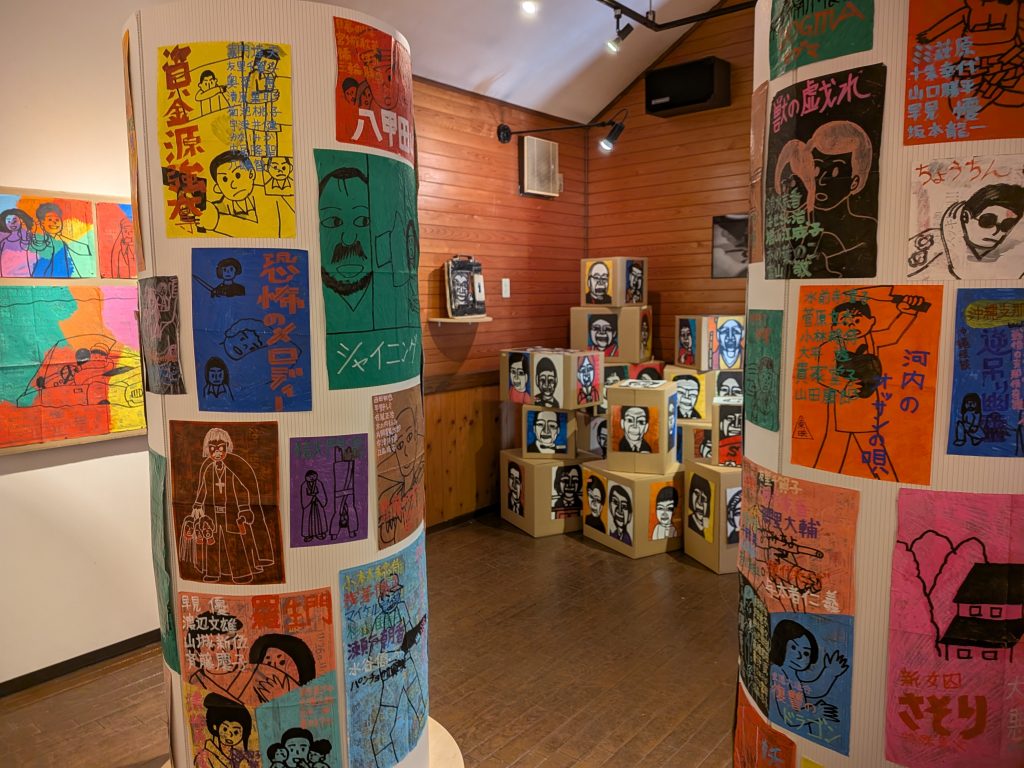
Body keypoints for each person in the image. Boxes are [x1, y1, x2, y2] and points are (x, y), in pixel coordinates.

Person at [811, 295, 926, 479]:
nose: (852, 326)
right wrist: (843, 385)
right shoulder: (830, 347)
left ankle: (889, 483)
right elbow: (823, 373)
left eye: (857, 321)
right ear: (834, 328)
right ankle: (817, 482)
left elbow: (894, 332)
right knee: (832, 452)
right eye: (845, 323)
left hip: (867, 410)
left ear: (871, 322)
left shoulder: (874, 340)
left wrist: (907, 311)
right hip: (840, 410)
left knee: (873, 451)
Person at [188, 427, 275, 583]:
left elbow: (242, 490)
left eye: (221, 448)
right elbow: (203, 488)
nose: (217, 452)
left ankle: (241, 573)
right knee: (212, 541)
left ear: (227, 447)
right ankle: (213, 572)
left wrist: (244, 510)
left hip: (231, 514)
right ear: (207, 449)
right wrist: (198, 503)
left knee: (233, 543)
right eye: (212, 448)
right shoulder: (208, 469)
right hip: (213, 514)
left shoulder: (232, 470)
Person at [908, 183, 1024, 280]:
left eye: (1007, 225)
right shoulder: (926, 247)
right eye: (987, 221)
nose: (996, 232)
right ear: (966, 217)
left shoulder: (1015, 266)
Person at [368, 574, 426, 766]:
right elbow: (373, 659)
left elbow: (409, 636)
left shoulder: (401, 608)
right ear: (381, 598)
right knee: (382, 730)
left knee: (419, 707)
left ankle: (414, 755)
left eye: (395, 593)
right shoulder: (378, 622)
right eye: (388, 595)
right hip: (391, 675)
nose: (393, 598)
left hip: (408, 666)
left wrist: (417, 634)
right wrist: (395, 655)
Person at [806, 121, 877, 277]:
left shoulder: (866, 230)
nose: (821, 181)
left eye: (835, 172)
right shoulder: (802, 231)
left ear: (854, 182)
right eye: (816, 169)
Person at [768, 619, 848, 734]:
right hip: (789, 733)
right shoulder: (778, 673)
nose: (800, 656)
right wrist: (815, 713)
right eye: (793, 648)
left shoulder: (791, 675)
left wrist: (830, 673)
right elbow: (789, 717)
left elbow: (812, 690)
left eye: (806, 653)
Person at [198, 149, 293, 238]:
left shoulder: (266, 195)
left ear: (251, 174)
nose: (233, 185)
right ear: (218, 188)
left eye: (238, 175)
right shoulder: (218, 208)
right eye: (225, 179)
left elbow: (268, 233)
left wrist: (218, 222)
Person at [377, 405, 424, 545]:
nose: (405, 453)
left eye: (410, 437)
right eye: (399, 445)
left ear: (416, 438)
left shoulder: (419, 480)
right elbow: (385, 536)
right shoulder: (393, 498)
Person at [29, 202, 92, 277]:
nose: (54, 222)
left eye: (57, 220)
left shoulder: (63, 241)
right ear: (42, 223)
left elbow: (84, 250)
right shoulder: (41, 241)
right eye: (50, 219)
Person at [194, 693, 257, 768]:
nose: (230, 735)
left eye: (236, 732)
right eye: (225, 729)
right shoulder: (204, 756)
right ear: (215, 727)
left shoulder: (236, 756)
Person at [0, 208, 34, 277]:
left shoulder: (28, 235)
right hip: (5, 272)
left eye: (14, 220)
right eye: (8, 221)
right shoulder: (3, 238)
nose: (12, 223)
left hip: (26, 273)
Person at [300, 469, 329, 542]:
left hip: (317, 504)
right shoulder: (304, 485)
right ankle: (309, 535)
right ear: (306, 477)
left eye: (313, 476)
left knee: (318, 519)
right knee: (308, 520)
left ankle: (319, 533)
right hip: (309, 506)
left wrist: (316, 496)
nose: (312, 478)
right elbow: (304, 497)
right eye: (310, 477)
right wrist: (311, 497)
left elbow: (322, 494)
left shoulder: (318, 483)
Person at [688, 474, 712, 540]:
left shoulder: (703, 526)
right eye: (696, 494)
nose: (699, 502)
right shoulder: (689, 523)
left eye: (704, 498)